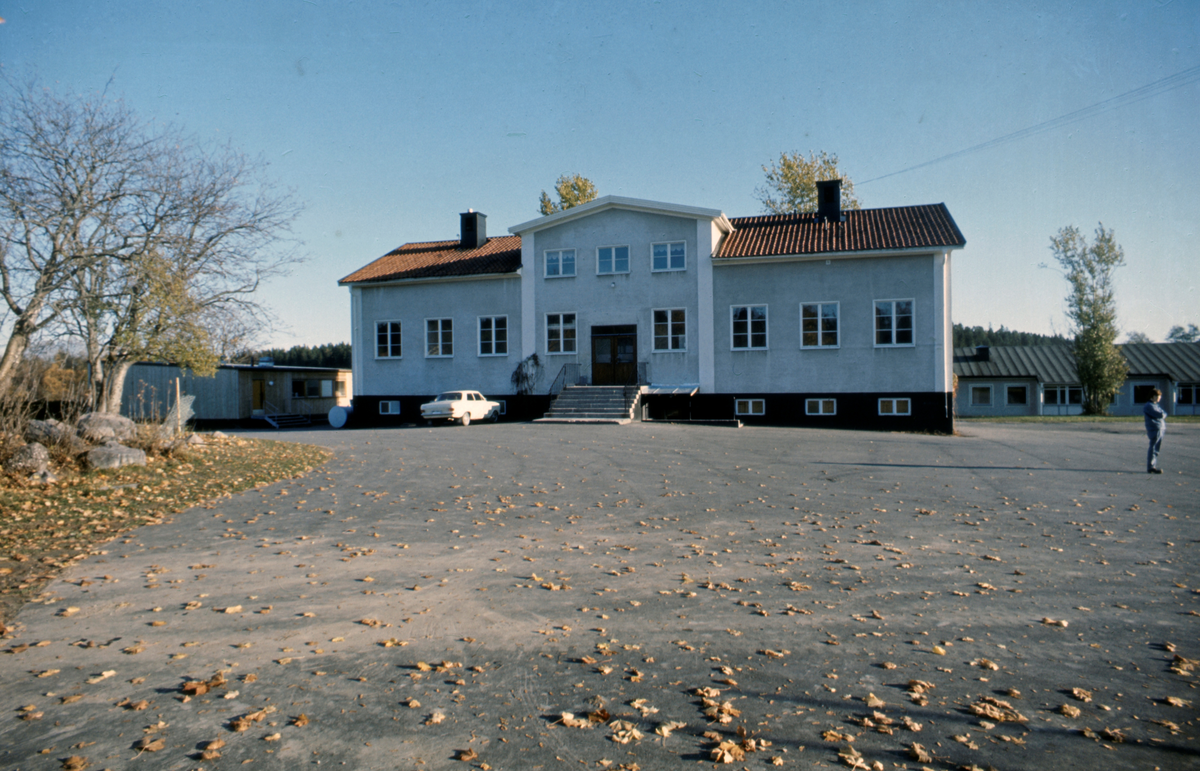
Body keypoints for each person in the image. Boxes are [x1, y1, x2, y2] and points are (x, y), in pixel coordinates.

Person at [1143, 388, 1166, 474]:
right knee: (1153, 448)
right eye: (1157, 396)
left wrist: (1163, 414)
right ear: (1153, 396)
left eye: (1160, 397)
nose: (1159, 398)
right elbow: (1160, 414)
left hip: (1160, 428)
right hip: (1154, 429)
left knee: (1157, 449)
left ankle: (1153, 465)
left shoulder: (1156, 405)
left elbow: (1164, 413)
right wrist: (1162, 414)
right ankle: (1151, 467)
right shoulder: (1149, 406)